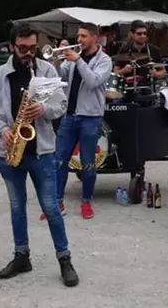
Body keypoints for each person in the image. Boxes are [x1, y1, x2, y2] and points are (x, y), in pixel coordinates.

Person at [0, 22, 78, 287]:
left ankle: (64, 259)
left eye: (33, 48)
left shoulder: (47, 70)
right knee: (16, 207)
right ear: (11, 46)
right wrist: (2, 130)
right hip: (10, 151)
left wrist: (43, 110)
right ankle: (21, 256)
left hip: (41, 151)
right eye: (23, 48)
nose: (28, 54)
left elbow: (61, 105)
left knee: (51, 207)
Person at [52, 23, 112, 219]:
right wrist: (57, 59)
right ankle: (57, 202)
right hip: (69, 115)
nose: (79, 40)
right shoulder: (74, 57)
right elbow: (60, 78)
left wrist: (78, 60)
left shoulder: (104, 60)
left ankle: (86, 201)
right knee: (59, 160)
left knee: (87, 163)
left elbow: (93, 81)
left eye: (84, 36)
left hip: (90, 117)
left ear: (95, 37)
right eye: (78, 36)